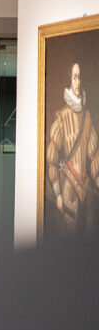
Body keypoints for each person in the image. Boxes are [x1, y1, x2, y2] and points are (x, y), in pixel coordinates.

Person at [46, 62, 99, 236]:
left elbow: (95, 155)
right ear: (69, 80)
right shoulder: (61, 117)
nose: (78, 82)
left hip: (87, 189)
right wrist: (58, 195)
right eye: (75, 77)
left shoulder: (88, 117)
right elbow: (52, 161)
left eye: (80, 77)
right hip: (68, 188)